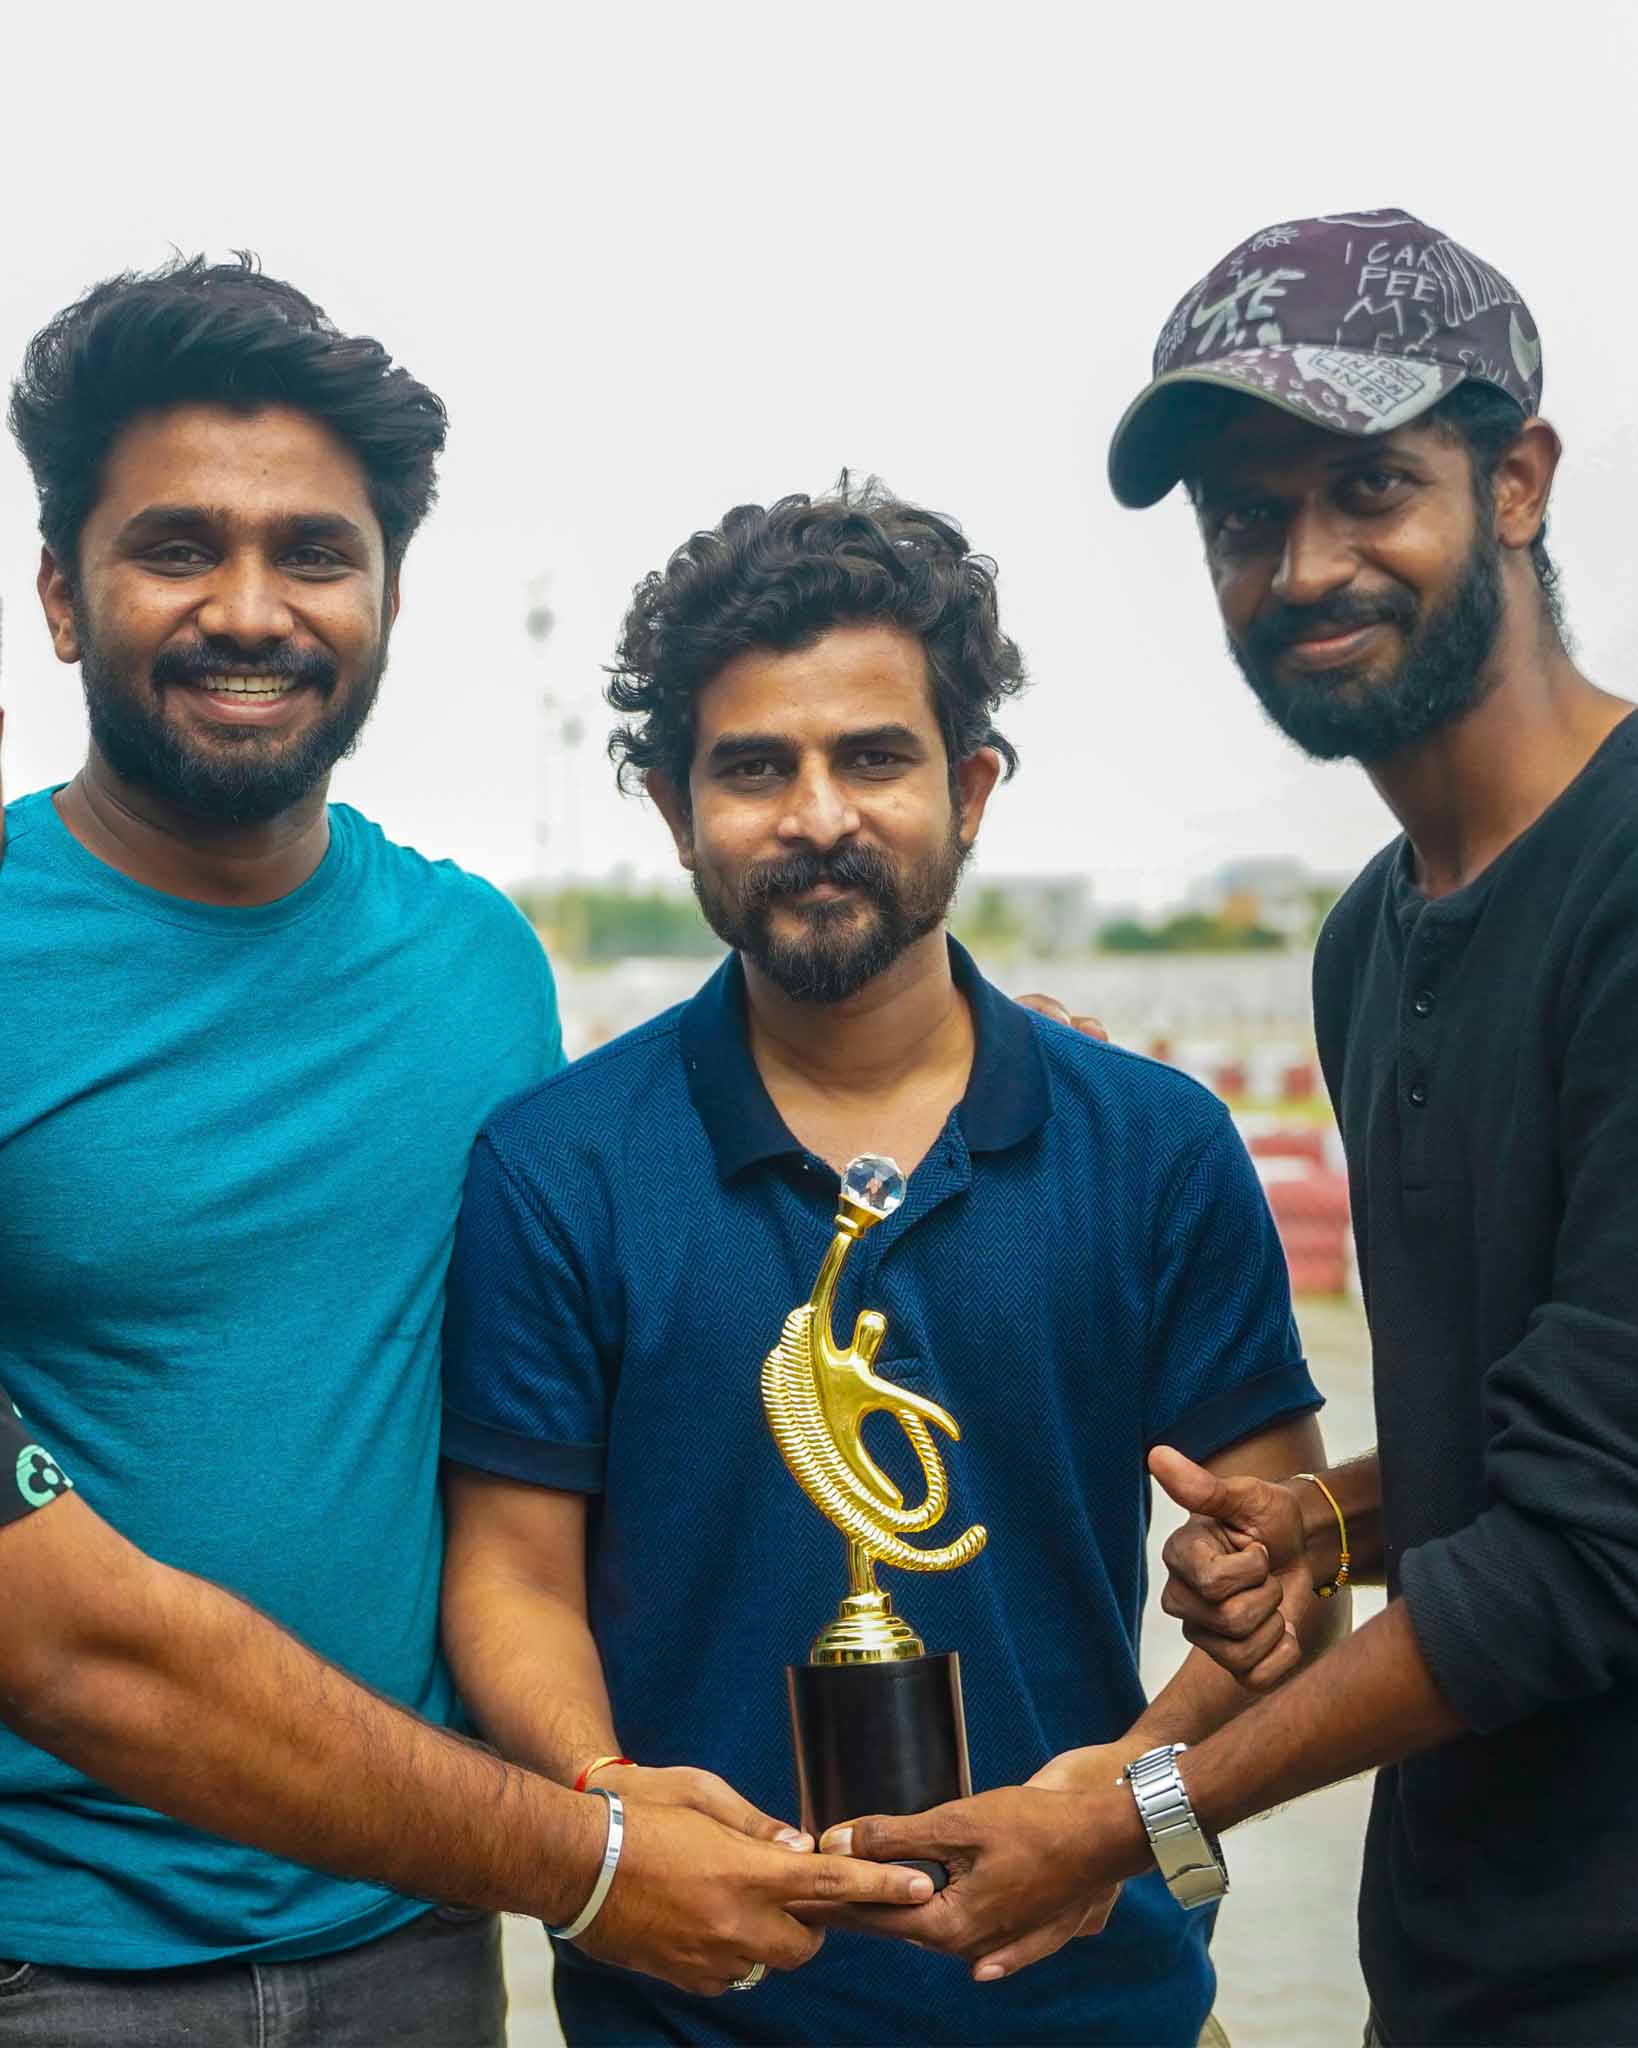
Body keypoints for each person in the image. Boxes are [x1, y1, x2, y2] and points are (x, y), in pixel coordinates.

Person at [0, 261, 922, 2045]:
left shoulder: (479, 970)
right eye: (175, 547)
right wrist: (579, 1859)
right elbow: (57, 1633)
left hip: (420, 1952)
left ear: (391, 598)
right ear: (58, 592)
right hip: (54, 1962)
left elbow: (580, 1408)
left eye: (316, 554)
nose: (250, 610)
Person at [836, 212, 1638, 2048]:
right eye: (1241, 519)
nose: (1303, 565)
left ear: (1516, 479)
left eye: (1369, 487)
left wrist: (1131, 1813)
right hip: (1465, 1963)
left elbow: (1588, 1554)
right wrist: (1328, 1523)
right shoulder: (1373, 936)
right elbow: (1537, 1447)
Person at [436, 478, 1340, 2047]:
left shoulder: (1155, 1149)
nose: (815, 815)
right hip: (687, 2021)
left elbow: (1291, 1578)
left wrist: (1130, 1810)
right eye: (752, 768)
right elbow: (510, 1571)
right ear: (669, 808)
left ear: (971, 786)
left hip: (1100, 2015)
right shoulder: (555, 1164)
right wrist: (600, 1795)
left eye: (872, 757)